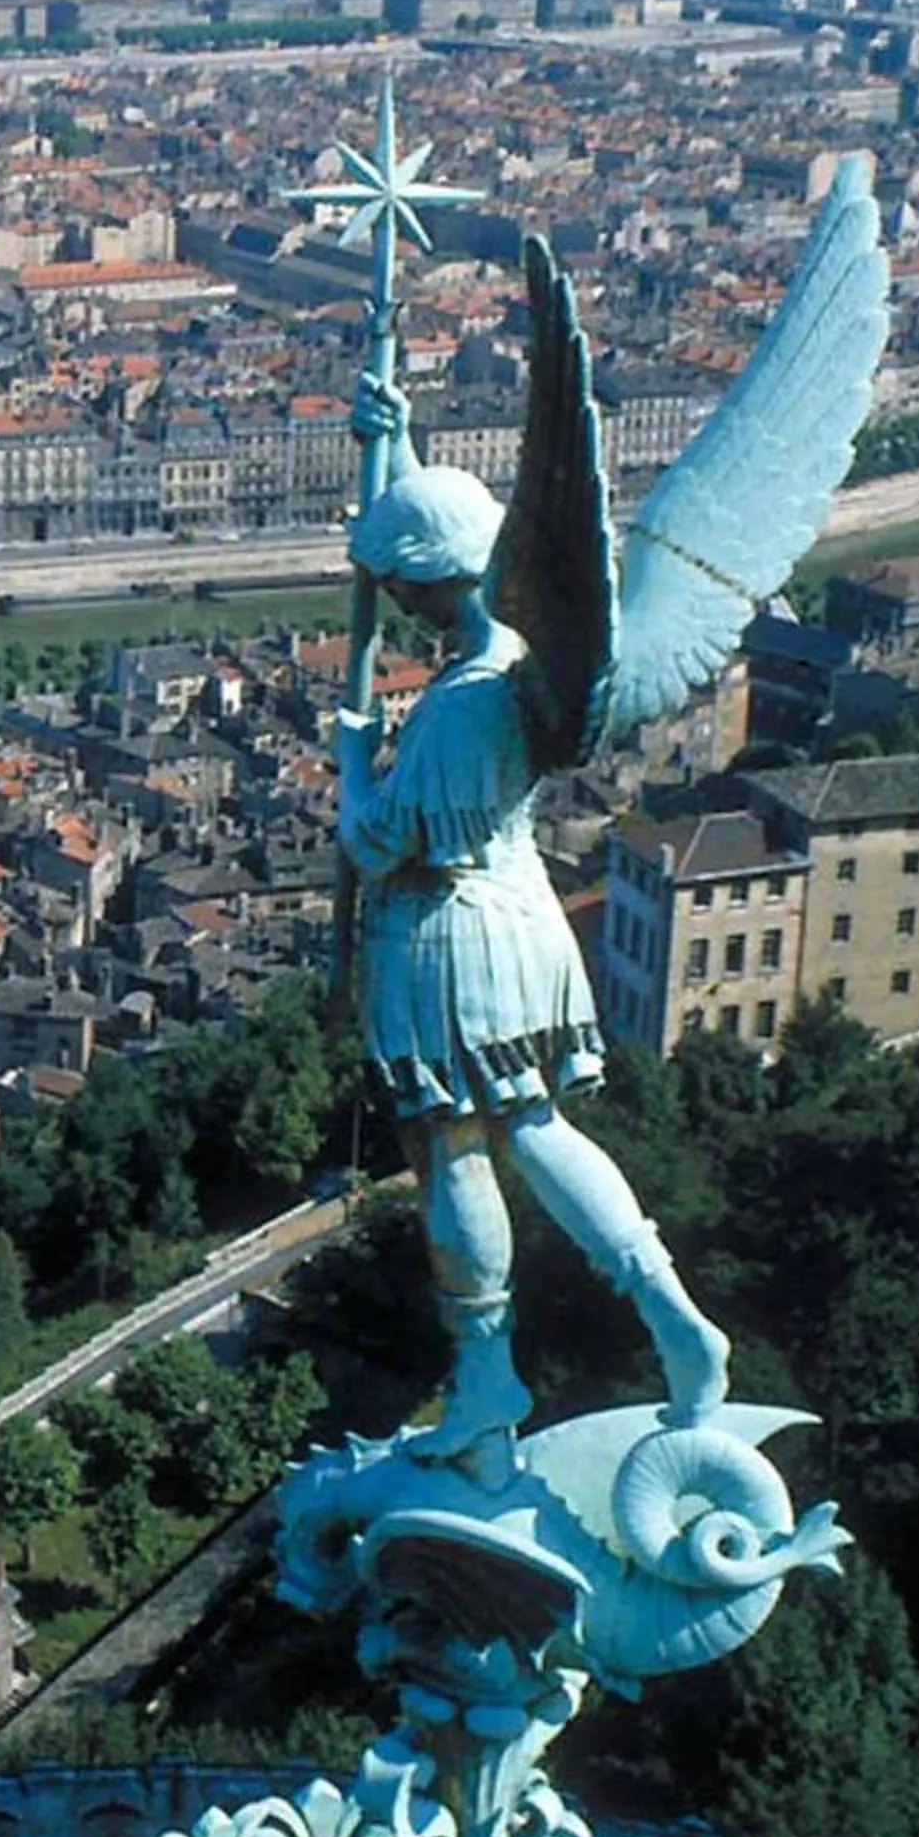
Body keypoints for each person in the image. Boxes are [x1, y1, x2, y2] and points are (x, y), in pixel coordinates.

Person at [334, 424, 730, 1466]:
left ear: (424, 581)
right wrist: (397, 442)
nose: (397, 605)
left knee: (452, 1150)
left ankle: (485, 1377)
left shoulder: (462, 701)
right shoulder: (520, 661)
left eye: (400, 583)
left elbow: (379, 843)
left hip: (444, 938)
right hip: (524, 919)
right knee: (537, 1126)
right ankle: (669, 1306)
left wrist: (352, 762)